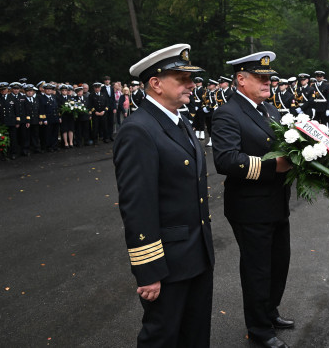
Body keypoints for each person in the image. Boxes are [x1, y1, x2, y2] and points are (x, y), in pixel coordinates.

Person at [113, 43, 214, 347]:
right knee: (163, 337)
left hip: (196, 255)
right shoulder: (139, 130)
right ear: (155, 84)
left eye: (191, 78)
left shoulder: (178, 120)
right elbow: (138, 206)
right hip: (168, 264)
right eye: (181, 78)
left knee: (195, 335)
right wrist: (148, 270)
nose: (191, 84)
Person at [211, 51, 294, 348]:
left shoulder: (269, 110)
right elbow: (226, 160)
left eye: (269, 78)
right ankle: (259, 329)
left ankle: (269, 312)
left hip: (276, 202)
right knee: (258, 269)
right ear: (241, 79)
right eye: (260, 78)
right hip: (249, 206)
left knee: (278, 263)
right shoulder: (227, 114)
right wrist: (274, 166)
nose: (267, 82)